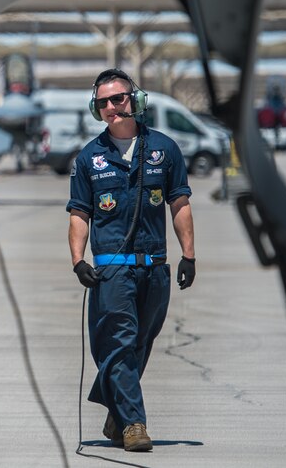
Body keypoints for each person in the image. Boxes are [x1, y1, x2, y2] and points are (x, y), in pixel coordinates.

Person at [66, 69, 196, 452]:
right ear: (96, 109)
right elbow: (79, 214)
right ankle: (135, 424)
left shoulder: (165, 149)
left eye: (118, 98)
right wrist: (78, 260)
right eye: (103, 102)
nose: (112, 107)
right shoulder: (90, 158)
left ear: (135, 100)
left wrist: (189, 254)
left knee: (140, 343)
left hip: (155, 267)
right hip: (113, 269)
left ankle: (115, 408)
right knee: (118, 344)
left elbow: (180, 204)